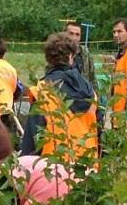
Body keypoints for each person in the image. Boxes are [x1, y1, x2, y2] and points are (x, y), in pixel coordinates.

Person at [20, 32, 102, 163]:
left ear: (48, 58)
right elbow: (99, 132)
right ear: (71, 57)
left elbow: (33, 139)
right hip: (86, 168)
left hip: (53, 171)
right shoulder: (90, 92)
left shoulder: (43, 90)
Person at [65, 21, 95, 90]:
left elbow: (92, 78)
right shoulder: (57, 53)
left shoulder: (85, 53)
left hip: (84, 95)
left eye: (77, 34)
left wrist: (96, 98)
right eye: (71, 34)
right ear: (64, 35)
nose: (74, 37)